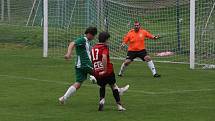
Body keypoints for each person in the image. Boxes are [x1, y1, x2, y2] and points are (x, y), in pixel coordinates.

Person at [58, 27, 98, 104]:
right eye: (93, 35)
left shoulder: (87, 42)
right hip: (84, 64)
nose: (94, 37)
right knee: (102, 74)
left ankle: (63, 98)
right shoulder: (83, 39)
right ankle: (117, 90)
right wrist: (69, 53)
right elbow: (72, 43)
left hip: (79, 65)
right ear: (89, 34)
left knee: (78, 83)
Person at [91, 32, 129, 111]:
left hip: (97, 71)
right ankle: (119, 106)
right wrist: (105, 70)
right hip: (107, 71)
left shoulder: (93, 48)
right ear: (106, 39)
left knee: (102, 86)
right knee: (113, 86)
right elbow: (104, 57)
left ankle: (102, 100)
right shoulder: (104, 47)